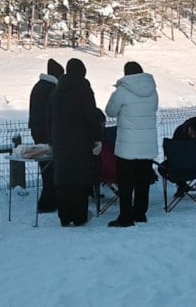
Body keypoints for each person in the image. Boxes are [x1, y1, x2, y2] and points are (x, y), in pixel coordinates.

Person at [46, 58, 103, 227]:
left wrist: (52, 140)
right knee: (79, 179)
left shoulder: (56, 91)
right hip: (81, 142)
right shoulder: (84, 89)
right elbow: (91, 115)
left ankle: (65, 216)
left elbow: (48, 119)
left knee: (63, 179)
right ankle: (79, 215)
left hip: (60, 143)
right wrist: (97, 138)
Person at [105, 61, 158, 227]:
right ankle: (140, 213)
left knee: (126, 182)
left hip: (127, 145)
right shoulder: (153, 90)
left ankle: (126, 217)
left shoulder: (122, 91)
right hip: (147, 144)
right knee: (143, 180)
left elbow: (110, 111)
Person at [28, 58, 64, 213]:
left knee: (46, 168)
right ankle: (48, 202)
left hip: (37, 131)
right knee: (50, 168)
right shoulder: (52, 89)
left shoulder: (38, 86)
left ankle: (49, 200)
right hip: (47, 133)